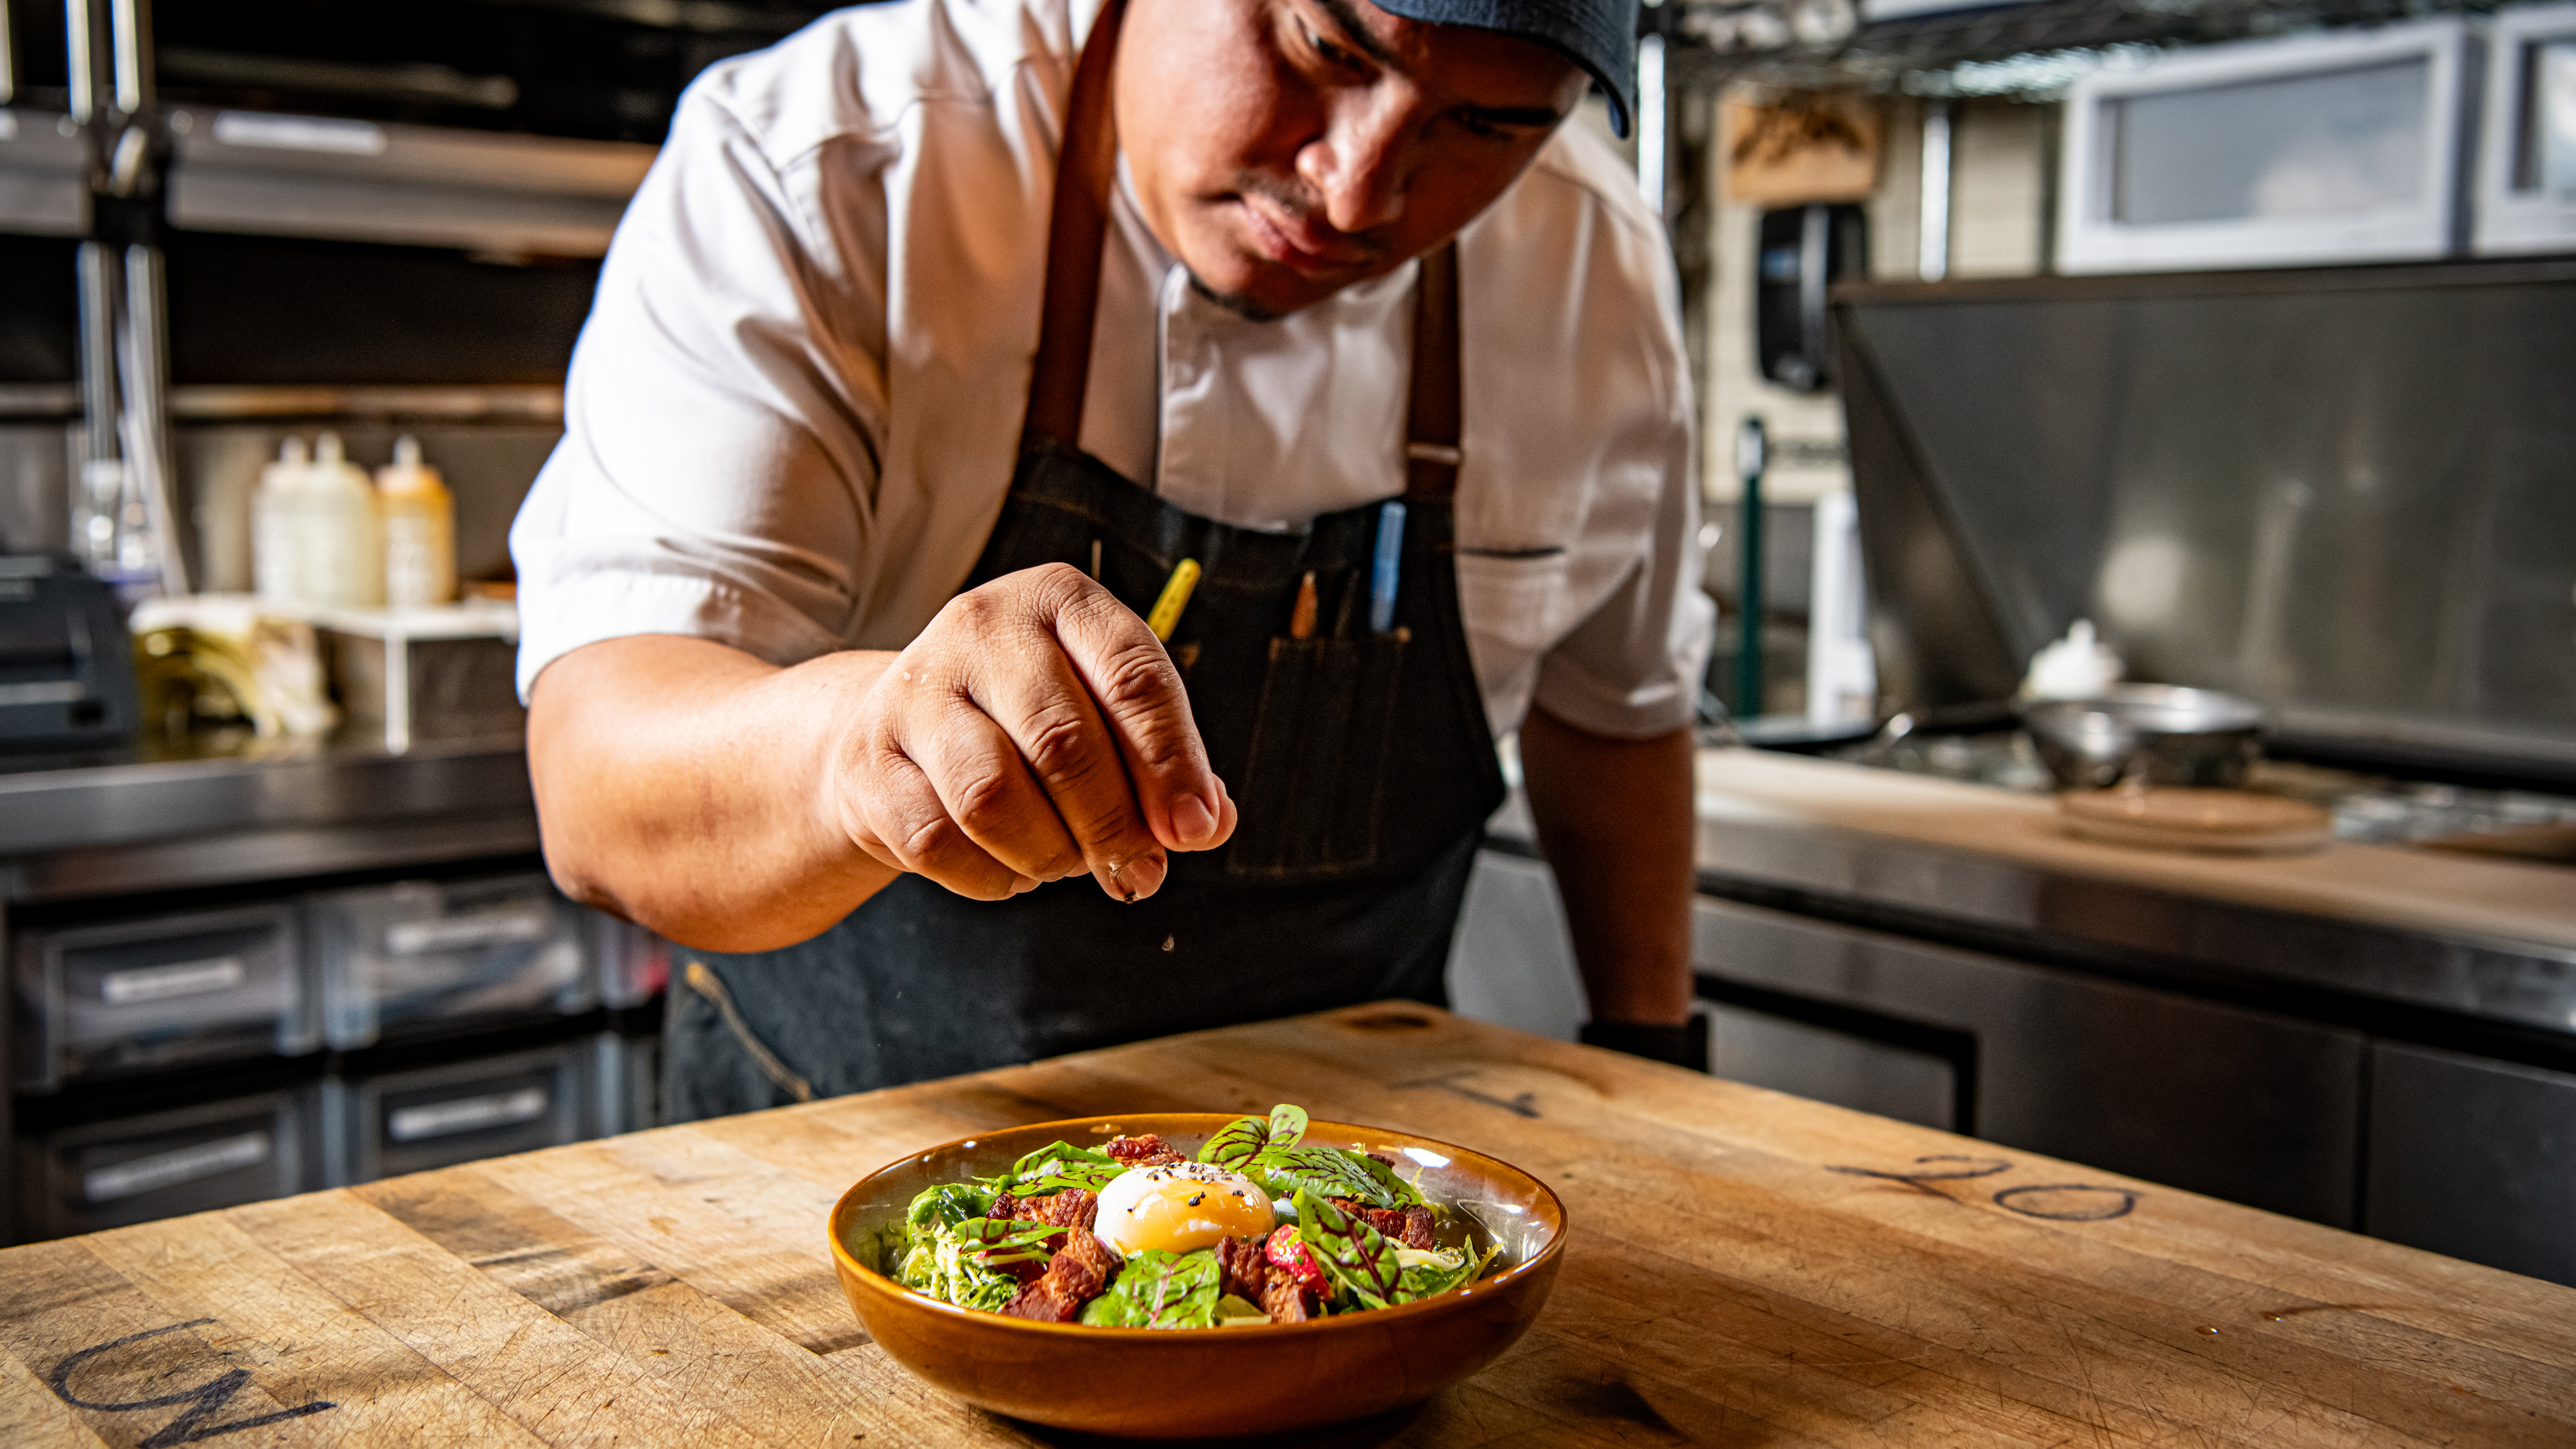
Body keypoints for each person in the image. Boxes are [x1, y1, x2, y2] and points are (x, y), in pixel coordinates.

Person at [512, 0, 1715, 1120]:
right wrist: (862, 749)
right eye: (1324, 49)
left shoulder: (1591, 266)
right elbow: (597, 786)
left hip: (1348, 1197)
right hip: (852, 1145)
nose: (1354, 192)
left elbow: (1618, 712)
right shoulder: (826, 165)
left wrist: (1651, 1063)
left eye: (1483, 126)